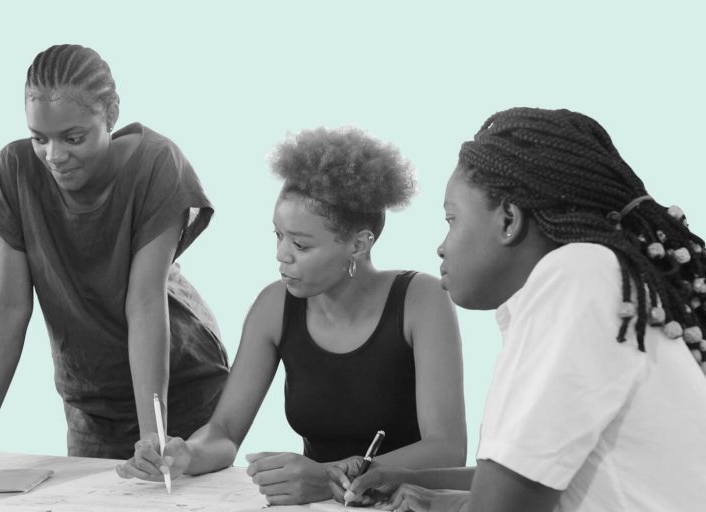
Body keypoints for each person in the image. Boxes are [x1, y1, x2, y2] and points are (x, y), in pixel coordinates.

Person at [332, 107, 706, 511]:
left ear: (509, 218)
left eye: (452, 219)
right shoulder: (598, 277)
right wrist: (414, 483)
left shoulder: (576, 276)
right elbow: (535, 477)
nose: (442, 245)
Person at [118, 126, 467, 505]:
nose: (282, 255)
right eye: (278, 236)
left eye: (300, 244)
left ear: (359, 243)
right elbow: (224, 431)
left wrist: (323, 475)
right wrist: (186, 453)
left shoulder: (422, 300)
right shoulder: (274, 306)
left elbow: (447, 449)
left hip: (410, 504)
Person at [0, 44, 229, 459]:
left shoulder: (158, 164)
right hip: (91, 404)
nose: (54, 156)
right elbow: (11, 305)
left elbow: (143, 302)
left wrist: (152, 438)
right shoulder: (12, 171)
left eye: (73, 138)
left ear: (111, 114)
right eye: (39, 138)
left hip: (182, 393)